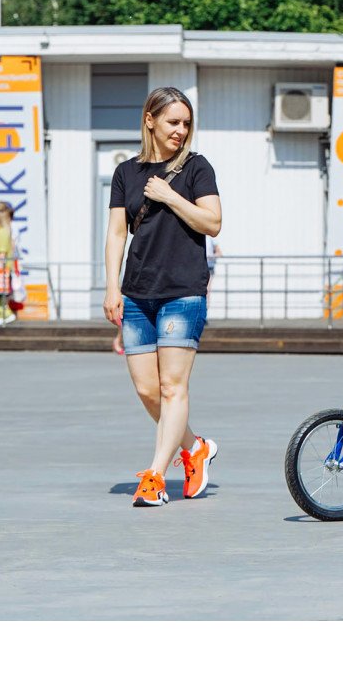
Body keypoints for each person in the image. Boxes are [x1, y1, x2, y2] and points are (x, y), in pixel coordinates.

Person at [104, 85, 222, 508]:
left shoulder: (196, 168)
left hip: (183, 291)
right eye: (173, 122)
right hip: (137, 293)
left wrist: (170, 196)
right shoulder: (126, 172)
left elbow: (212, 223)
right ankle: (196, 447)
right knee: (148, 390)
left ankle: (155, 475)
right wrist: (112, 286)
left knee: (173, 388)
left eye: (186, 124)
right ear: (150, 120)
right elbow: (117, 233)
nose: (180, 131)